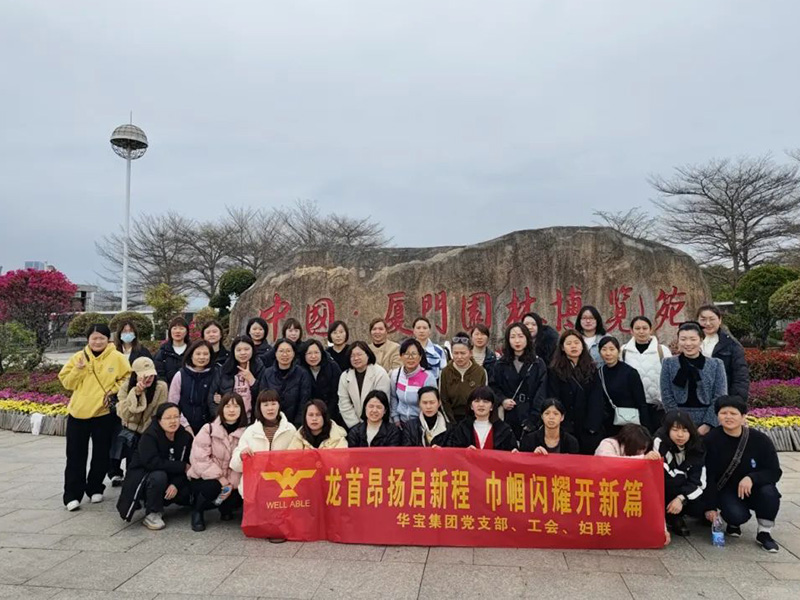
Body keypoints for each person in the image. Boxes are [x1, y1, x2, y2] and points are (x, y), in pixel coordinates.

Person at [59, 324, 132, 511]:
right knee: (75, 455)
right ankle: (72, 494)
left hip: (103, 413)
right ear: (88, 339)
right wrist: (78, 370)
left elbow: (127, 378)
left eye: (101, 338)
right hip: (78, 413)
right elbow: (67, 383)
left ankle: (95, 488)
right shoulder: (78, 357)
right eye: (94, 338)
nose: (97, 341)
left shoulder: (117, 357)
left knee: (101, 453)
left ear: (108, 339)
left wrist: (113, 390)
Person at [703, 396, 782, 552]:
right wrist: (710, 507)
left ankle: (764, 533)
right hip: (727, 490)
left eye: (733, 413)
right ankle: (733, 522)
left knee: (770, 493)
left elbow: (774, 472)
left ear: (743, 416)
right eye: (723, 413)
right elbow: (708, 475)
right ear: (717, 416)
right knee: (736, 515)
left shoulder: (760, 440)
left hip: (755, 489)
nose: (728, 417)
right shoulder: (711, 440)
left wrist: (752, 478)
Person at [116, 403, 193, 530]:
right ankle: (153, 513)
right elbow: (152, 462)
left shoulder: (184, 436)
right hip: (146, 476)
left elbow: (188, 464)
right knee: (159, 476)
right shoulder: (150, 436)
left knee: (190, 481)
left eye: (176, 417)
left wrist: (175, 484)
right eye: (168, 418)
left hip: (173, 476)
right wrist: (181, 466)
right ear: (159, 420)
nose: (173, 421)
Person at [187, 392, 248, 531]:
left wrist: (231, 484)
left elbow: (242, 463)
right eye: (227, 406)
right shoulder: (208, 429)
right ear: (221, 408)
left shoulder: (246, 433)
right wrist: (222, 480)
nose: (231, 410)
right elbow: (200, 459)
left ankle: (224, 508)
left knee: (237, 496)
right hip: (206, 478)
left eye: (236, 406)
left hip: (231, 481)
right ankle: (197, 511)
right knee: (213, 487)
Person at [661, 322, 727, 434]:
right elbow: (666, 395)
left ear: (701, 340)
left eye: (693, 339)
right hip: (677, 423)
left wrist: (708, 424)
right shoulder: (668, 363)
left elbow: (720, 396)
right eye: (683, 339)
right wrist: (679, 423)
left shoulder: (716, 364)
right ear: (678, 340)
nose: (688, 343)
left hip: (708, 421)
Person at [108, 319, 153, 484]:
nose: (128, 333)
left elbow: (150, 371)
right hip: (116, 397)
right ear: (119, 333)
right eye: (124, 331)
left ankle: (131, 472)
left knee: (131, 437)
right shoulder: (112, 351)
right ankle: (114, 471)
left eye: (130, 330)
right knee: (115, 437)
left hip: (136, 396)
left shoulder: (142, 351)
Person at [547, 329, 605, 454]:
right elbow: (554, 398)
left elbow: (597, 398)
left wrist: (592, 426)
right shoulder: (555, 370)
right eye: (569, 343)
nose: (573, 346)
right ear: (562, 348)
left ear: (582, 346)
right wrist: (562, 423)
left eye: (576, 343)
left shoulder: (591, 368)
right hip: (565, 425)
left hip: (587, 426)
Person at [113, 357, 169, 485]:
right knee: (132, 465)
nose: (148, 379)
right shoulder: (125, 387)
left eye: (151, 375)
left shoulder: (161, 387)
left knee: (151, 463)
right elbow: (125, 415)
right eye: (144, 376)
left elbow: (159, 412)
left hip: (151, 432)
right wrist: (136, 394)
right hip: (132, 432)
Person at [230, 390, 297, 497]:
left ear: (279, 405)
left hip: (283, 488)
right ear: (259, 407)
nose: (270, 408)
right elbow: (234, 465)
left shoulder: (290, 430)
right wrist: (241, 456)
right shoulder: (250, 431)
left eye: (273, 404)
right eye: (265, 405)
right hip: (256, 489)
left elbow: (297, 460)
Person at [653, 410, 707, 537]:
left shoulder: (697, 444)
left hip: (684, 490)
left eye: (685, 430)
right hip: (665, 487)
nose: (680, 435)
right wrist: (684, 475)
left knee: (700, 502)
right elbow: (667, 475)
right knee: (669, 482)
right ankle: (668, 517)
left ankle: (678, 515)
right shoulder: (659, 441)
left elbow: (699, 479)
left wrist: (681, 498)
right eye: (675, 430)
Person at [489, 322, 547, 439]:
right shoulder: (500, 364)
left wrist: (534, 417)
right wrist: (502, 400)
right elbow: (493, 386)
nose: (517, 341)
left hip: (530, 415)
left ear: (527, 338)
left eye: (521, 336)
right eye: (513, 337)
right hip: (509, 415)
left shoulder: (537, 363)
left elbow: (542, 391)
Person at [621, 316, 672, 432]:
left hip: (657, 405)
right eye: (637, 328)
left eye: (645, 328)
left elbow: (669, 376)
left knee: (658, 435)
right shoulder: (624, 351)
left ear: (651, 330)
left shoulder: (662, 350)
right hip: (633, 405)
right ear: (631, 331)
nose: (641, 331)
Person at [598, 336, 651, 433]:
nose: (608, 353)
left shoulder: (630, 372)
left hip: (629, 423)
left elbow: (641, 403)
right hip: (608, 424)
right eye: (604, 349)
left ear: (618, 351)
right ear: (599, 352)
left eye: (612, 349)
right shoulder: (599, 373)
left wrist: (645, 428)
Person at [697, 305, 750, 401]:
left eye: (712, 319)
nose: (707, 323)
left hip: (722, 398)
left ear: (719, 320)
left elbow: (740, 376)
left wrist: (736, 401)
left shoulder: (731, 345)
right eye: (703, 319)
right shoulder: (689, 343)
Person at [258, 338, 312, 428]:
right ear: (275, 353)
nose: (284, 354)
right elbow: (262, 399)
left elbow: (304, 402)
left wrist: (297, 425)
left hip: (295, 424)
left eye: (288, 351)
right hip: (271, 423)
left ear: (294, 353)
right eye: (281, 351)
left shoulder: (302, 374)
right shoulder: (267, 373)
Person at [208, 335, 264, 422]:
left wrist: (252, 381)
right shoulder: (224, 370)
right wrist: (221, 418)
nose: (242, 353)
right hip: (227, 420)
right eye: (238, 350)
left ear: (253, 350)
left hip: (252, 421)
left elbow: (265, 396)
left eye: (246, 349)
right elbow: (211, 396)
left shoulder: (260, 369)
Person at [338, 341, 391, 429]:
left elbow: (381, 402)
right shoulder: (345, 376)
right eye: (352, 356)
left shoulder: (380, 373)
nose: (356, 358)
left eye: (359, 354)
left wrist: (368, 424)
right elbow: (344, 403)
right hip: (353, 425)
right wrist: (355, 425)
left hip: (376, 422)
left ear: (368, 355)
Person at [167, 340, 216, 436]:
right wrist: (185, 425)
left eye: (205, 354)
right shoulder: (180, 375)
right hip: (183, 426)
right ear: (191, 355)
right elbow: (173, 403)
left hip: (210, 427)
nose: (202, 357)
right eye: (198, 354)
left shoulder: (216, 374)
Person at [445, 386, 517, 451]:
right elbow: (454, 452)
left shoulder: (504, 430)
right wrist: (464, 452)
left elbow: (511, 452)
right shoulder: (461, 428)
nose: (481, 405)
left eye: (486, 402)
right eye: (477, 401)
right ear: (471, 406)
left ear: (492, 407)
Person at [439, 332, 488, 422]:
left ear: (470, 353)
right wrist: (451, 422)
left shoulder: (480, 372)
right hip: (452, 419)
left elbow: (484, 398)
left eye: (463, 353)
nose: (459, 357)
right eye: (456, 353)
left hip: (474, 418)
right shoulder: (445, 372)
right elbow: (443, 400)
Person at [389, 339, 438, 427]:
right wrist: (396, 419)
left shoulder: (428, 377)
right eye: (407, 354)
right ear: (401, 356)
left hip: (420, 424)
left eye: (414, 354)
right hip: (401, 423)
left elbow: (432, 403)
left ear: (420, 357)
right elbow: (393, 397)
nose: (410, 357)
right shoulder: (396, 375)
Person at [300, 339, 344, 427]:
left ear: (322, 353)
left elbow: (336, 394)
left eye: (316, 352)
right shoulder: (300, 369)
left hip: (331, 414)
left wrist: (326, 415)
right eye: (309, 353)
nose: (313, 356)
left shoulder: (332, 367)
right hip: (308, 415)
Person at [154, 316, 189, 386]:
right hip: (168, 389)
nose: (178, 331)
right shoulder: (163, 352)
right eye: (174, 328)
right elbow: (159, 373)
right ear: (170, 331)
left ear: (186, 332)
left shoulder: (192, 350)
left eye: (181, 328)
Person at [595, 424, 662, 459]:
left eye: (644, 449)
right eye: (639, 448)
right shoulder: (608, 444)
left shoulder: (643, 454)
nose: (642, 452)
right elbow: (609, 462)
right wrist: (642, 458)